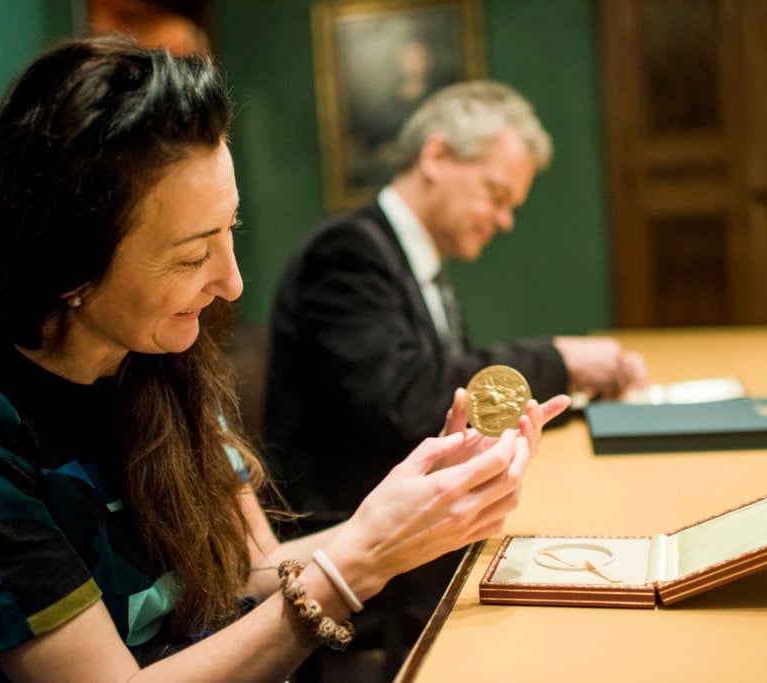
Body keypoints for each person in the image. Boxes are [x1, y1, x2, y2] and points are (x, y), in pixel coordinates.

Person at [0, 36, 570, 681]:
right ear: (67, 264)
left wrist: (418, 512)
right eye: (192, 255)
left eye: (230, 232)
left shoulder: (156, 348)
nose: (232, 283)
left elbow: (246, 575)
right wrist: (359, 560)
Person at [262, 80, 647, 673]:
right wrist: (561, 359)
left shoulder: (418, 262)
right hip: (341, 542)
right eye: (497, 194)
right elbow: (408, 397)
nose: (506, 219)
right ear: (437, 157)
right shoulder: (346, 254)